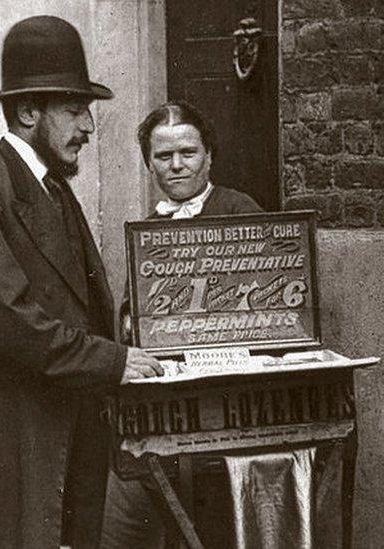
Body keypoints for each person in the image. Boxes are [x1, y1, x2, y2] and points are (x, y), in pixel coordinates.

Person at [0, 16, 163, 548]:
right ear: (29, 112)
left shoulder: (51, 188)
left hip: (52, 431)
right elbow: (12, 319)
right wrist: (112, 361)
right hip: (0, 441)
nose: (89, 128)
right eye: (75, 111)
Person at [101, 101, 261, 548]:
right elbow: (133, 312)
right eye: (163, 156)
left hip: (231, 402)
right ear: (149, 162)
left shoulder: (240, 212)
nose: (176, 166)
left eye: (187, 153)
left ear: (209, 155)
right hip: (173, 404)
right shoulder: (148, 230)